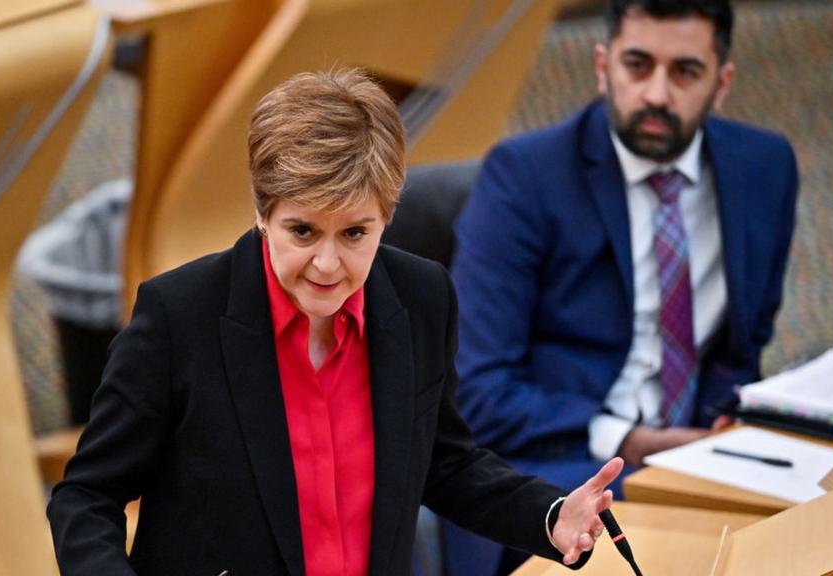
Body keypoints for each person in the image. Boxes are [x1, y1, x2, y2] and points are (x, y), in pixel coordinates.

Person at [48, 69, 624, 576]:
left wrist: (548, 516)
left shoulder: (423, 299)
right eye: (302, 232)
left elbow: (444, 463)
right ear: (261, 212)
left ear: (386, 217)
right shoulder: (179, 316)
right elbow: (86, 497)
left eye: (354, 233)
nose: (328, 265)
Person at [446, 1, 798, 574]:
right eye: (638, 65)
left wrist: (715, 429)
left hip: (705, 462)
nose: (657, 94)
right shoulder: (523, 177)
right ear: (603, 67)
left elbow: (743, 344)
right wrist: (629, 440)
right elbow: (476, 392)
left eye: (685, 72)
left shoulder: (765, 167)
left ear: (722, 82)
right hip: (560, 469)